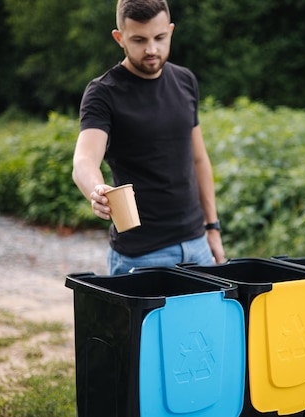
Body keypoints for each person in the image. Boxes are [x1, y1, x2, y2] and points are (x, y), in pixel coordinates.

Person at [72, 0, 225, 275]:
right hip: (141, 256)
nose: (152, 49)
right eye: (139, 40)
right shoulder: (103, 92)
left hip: (197, 245)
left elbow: (199, 160)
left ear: (170, 31)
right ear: (120, 38)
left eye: (159, 37)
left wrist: (212, 228)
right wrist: (97, 190)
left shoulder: (185, 80)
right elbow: (84, 160)